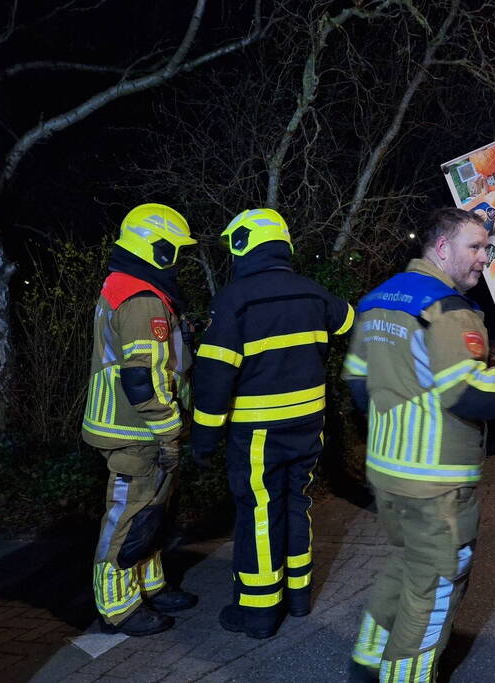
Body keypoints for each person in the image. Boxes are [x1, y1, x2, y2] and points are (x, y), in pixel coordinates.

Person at [344, 208, 495, 681]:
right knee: (433, 588)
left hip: (388, 472)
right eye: (475, 247)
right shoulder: (449, 310)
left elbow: (358, 383)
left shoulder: (376, 300)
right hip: (435, 481)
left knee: (403, 566)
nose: (484, 258)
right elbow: (473, 394)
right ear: (441, 248)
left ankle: (367, 663)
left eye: (487, 248)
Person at [190, 209, 354, 639]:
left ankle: (260, 613)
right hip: (308, 424)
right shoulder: (313, 293)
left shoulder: (233, 300)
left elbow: (214, 376)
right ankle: (298, 597)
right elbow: (350, 320)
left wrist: (204, 437)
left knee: (260, 513)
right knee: (297, 503)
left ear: (244, 244)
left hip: (258, 431)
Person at [83, 203, 199, 636]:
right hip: (137, 428)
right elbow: (142, 378)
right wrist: (169, 429)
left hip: (136, 425)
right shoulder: (142, 298)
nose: (180, 257)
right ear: (159, 247)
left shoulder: (127, 286)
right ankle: (118, 605)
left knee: (150, 511)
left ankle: (149, 585)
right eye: (176, 248)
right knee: (128, 516)